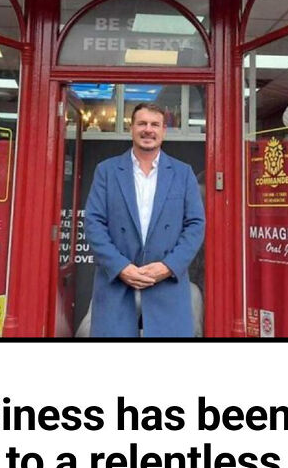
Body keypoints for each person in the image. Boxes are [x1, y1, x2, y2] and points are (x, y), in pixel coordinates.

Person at [84, 102, 205, 338]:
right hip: (116, 285)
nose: (148, 130)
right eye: (142, 123)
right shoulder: (106, 171)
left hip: (167, 285)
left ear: (163, 131)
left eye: (155, 124)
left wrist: (167, 266)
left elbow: (196, 225)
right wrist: (121, 267)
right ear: (132, 128)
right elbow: (94, 223)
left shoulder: (183, 173)